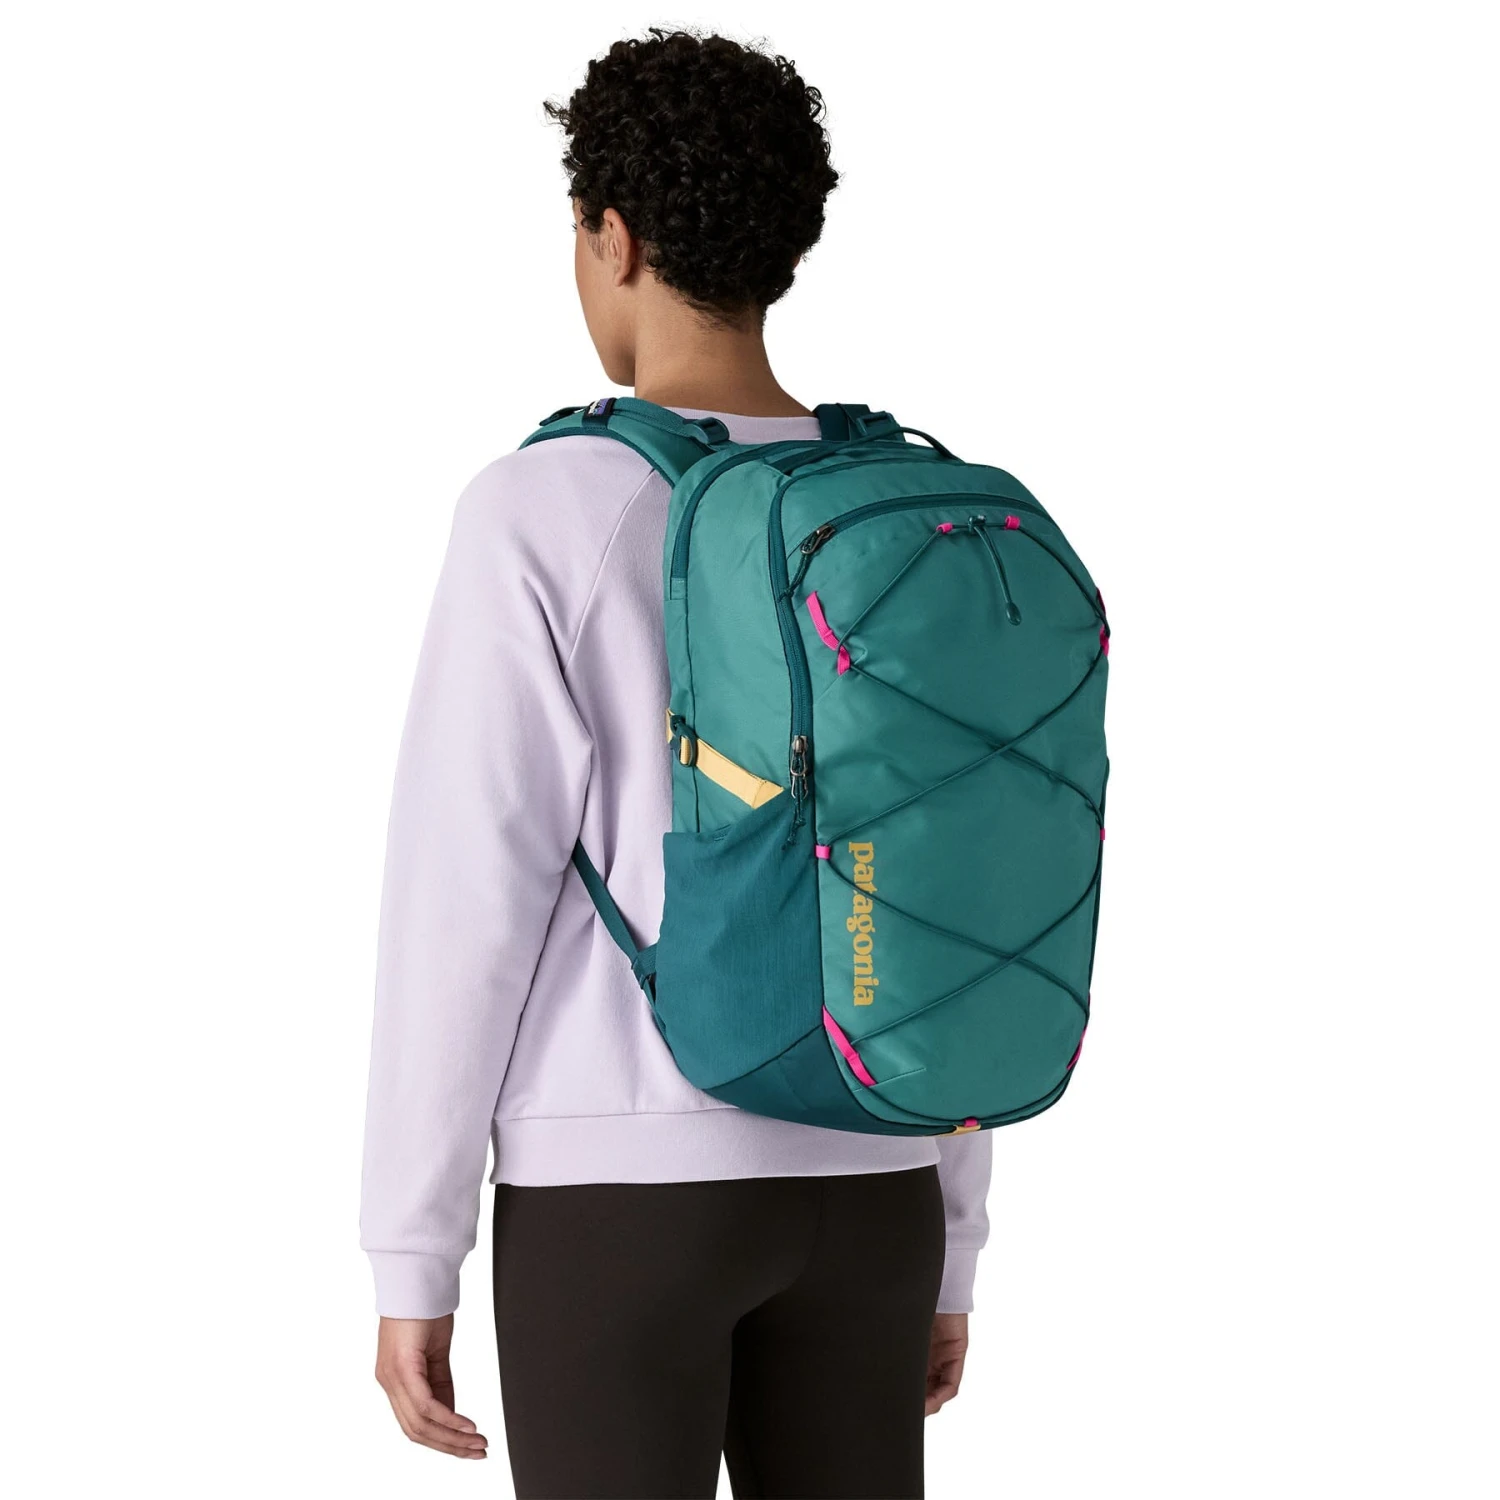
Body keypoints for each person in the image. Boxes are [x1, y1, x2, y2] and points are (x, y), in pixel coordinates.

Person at [360, 28, 992, 1499]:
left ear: (614, 236)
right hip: (877, 1185)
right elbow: (944, 888)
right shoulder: (907, 509)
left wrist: (412, 1249)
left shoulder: (543, 509)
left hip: (621, 1196)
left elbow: (463, 902)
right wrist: (953, 1236)